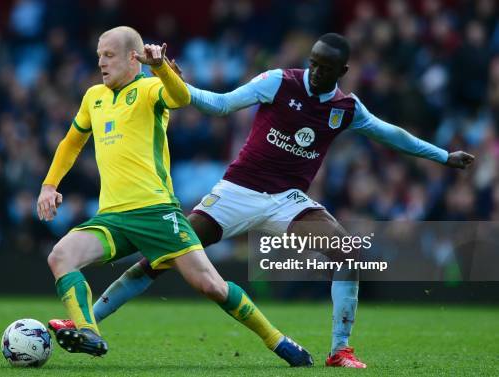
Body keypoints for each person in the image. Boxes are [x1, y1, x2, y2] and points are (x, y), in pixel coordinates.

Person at [49, 33, 475, 368]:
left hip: (287, 200)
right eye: (311, 61)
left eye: (324, 67)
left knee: (347, 254)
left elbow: (392, 134)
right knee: (156, 260)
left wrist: (442, 156)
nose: (313, 71)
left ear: (340, 71)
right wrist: (171, 78)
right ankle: (88, 324)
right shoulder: (278, 81)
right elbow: (218, 105)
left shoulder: (346, 107)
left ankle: (340, 351)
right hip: (235, 192)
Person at [37, 25, 313, 367]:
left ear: (132, 58)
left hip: (156, 213)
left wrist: (161, 67)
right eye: (99, 57)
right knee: (60, 256)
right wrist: (49, 185)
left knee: (211, 285)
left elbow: (181, 98)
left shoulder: (151, 87)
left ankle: (278, 340)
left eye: (108, 56)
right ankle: (89, 332)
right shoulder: (93, 97)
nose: (101, 63)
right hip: (112, 217)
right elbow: (71, 142)